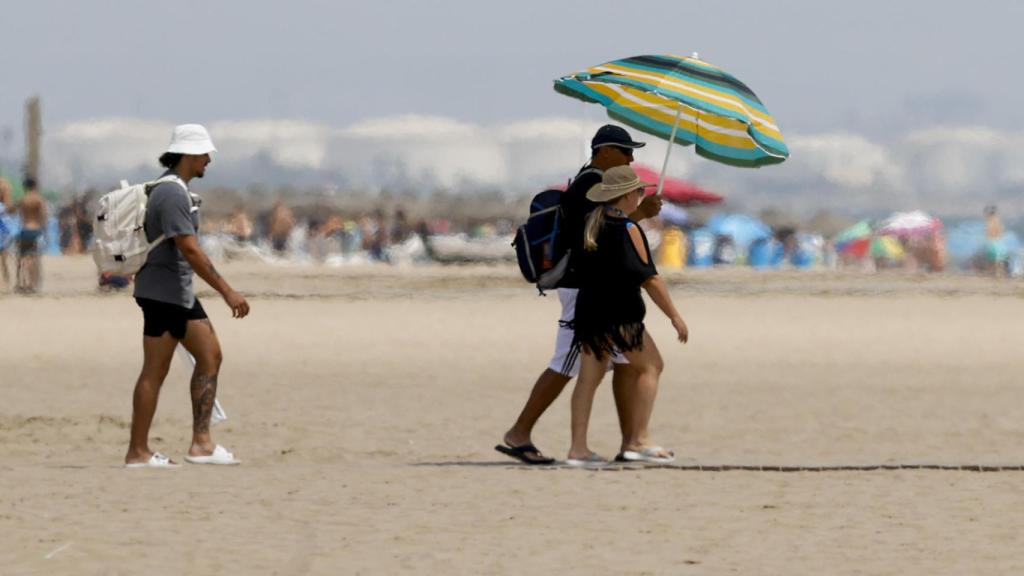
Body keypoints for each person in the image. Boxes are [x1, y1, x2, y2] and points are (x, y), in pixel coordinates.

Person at [497, 125, 662, 464]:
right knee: (567, 365)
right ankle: (521, 434)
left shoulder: (589, 182)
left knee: (623, 363)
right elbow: (601, 230)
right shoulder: (591, 184)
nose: (632, 157)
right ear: (603, 152)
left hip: (592, 290)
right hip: (583, 290)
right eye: (625, 150)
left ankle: (631, 442)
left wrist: (638, 213)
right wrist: (641, 213)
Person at [125, 124, 250, 468]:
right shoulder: (172, 194)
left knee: (209, 356)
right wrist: (228, 292)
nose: (208, 160)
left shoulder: (175, 190)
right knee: (155, 370)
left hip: (175, 293)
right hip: (165, 295)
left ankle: (202, 444)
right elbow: (191, 251)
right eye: (205, 154)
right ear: (190, 154)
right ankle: (138, 451)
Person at [565, 166, 689, 465]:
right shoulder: (629, 230)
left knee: (588, 379)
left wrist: (642, 214)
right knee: (651, 366)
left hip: (590, 310)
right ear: (626, 196)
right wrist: (674, 316)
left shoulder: (591, 224)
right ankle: (638, 440)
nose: (642, 195)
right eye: (638, 191)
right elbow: (650, 278)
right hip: (620, 314)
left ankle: (577, 449)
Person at [15, 177, 47, 293]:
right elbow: (44, 216)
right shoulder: (39, 199)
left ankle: (22, 284)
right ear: (35, 186)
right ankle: (32, 285)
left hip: (24, 230)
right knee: (34, 258)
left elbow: (14, 211)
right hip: (36, 230)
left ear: (25, 187)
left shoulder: (23, 199)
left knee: (22, 258)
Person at [0, 177, 12, 288]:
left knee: (3, 254)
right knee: (3, 255)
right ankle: (6, 278)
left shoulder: (4, 184)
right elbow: (8, 206)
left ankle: (5, 279)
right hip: (4, 222)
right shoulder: (5, 184)